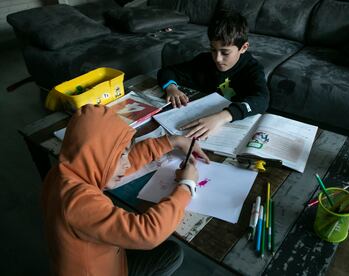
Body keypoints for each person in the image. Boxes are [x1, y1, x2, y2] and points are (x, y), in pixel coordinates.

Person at [41, 104, 210, 276]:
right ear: (98, 158)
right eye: (122, 155)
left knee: (170, 252)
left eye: (125, 154)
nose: (127, 163)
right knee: (171, 255)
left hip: (99, 255)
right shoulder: (78, 203)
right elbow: (148, 234)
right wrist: (186, 186)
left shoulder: (65, 171)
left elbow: (114, 164)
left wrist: (173, 141)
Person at [157, 10, 269, 140]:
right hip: (198, 118)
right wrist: (171, 88)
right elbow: (167, 71)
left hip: (231, 124)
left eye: (225, 53)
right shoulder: (204, 60)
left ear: (243, 47)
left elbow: (262, 100)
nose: (217, 59)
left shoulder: (252, 68)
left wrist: (222, 116)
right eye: (213, 50)